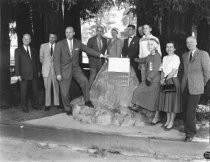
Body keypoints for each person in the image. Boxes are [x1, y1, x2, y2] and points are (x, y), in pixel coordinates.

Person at [54, 26, 106, 115]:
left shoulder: (77, 43)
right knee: (64, 92)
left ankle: (87, 100)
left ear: (73, 33)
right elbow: (56, 60)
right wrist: (58, 73)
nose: (68, 34)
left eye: (70, 32)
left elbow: (88, 50)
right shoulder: (60, 44)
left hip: (75, 68)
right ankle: (67, 108)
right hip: (64, 70)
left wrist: (101, 55)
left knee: (85, 81)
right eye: (66, 32)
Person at [90, 27, 139, 108]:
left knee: (115, 81)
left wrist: (115, 62)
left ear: (117, 33)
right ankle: (109, 98)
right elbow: (107, 51)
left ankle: (117, 99)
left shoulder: (119, 40)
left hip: (115, 62)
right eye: (112, 32)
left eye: (114, 32)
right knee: (109, 82)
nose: (113, 33)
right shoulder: (109, 40)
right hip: (109, 62)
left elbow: (119, 52)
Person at [181, 36, 210, 142]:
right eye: (187, 42)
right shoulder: (184, 55)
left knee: (190, 112)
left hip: (196, 87)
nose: (189, 44)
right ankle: (189, 129)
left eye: (191, 42)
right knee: (184, 111)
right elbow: (184, 71)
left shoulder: (203, 54)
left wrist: (201, 84)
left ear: (196, 42)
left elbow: (207, 72)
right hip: (185, 87)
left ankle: (190, 134)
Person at [151, 41, 181, 129]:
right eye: (167, 47)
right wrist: (161, 79)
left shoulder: (176, 58)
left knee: (173, 103)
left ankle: (171, 121)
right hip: (164, 81)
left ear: (174, 48)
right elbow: (163, 70)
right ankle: (167, 120)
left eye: (171, 47)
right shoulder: (164, 58)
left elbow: (174, 71)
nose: (169, 48)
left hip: (172, 81)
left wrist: (165, 79)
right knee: (167, 102)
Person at [131, 38, 161, 112]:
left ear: (156, 46)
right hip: (148, 79)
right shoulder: (150, 55)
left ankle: (141, 108)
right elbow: (144, 60)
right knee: (138, 91)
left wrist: (149, 78)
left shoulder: (157, 56)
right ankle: (138, 106)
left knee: (143, 93)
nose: (149, 46)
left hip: (153, 80)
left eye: (151, 44)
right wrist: (134, 59)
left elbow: (155, 69)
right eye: (148, 44)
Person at [15, 34, 41, 113]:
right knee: (24, 92)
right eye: (25, 39)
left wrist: (38, 71)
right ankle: (24, 107)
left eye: (28, 39)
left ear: (30, 40)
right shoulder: (18, 50)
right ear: (22, 39)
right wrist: (18, 75)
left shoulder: (33, 49)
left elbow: (37, 61)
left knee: (35, 91)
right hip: (23, 75)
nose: (26, 40)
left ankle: (35, 105)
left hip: (34, 74)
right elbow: (17, 63)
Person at [40, 32, 61, 111]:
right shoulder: (43, 46)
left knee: (56, 87)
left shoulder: (59, 46)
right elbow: (41, 58)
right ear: (48, 38)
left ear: (56, 38)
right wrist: (47, 63)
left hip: (56, 70)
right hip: (46, 70)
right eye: (50, 37)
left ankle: (57, 103)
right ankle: (47, 104)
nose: (51, 39)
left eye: (53, 37)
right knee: (47, 88)